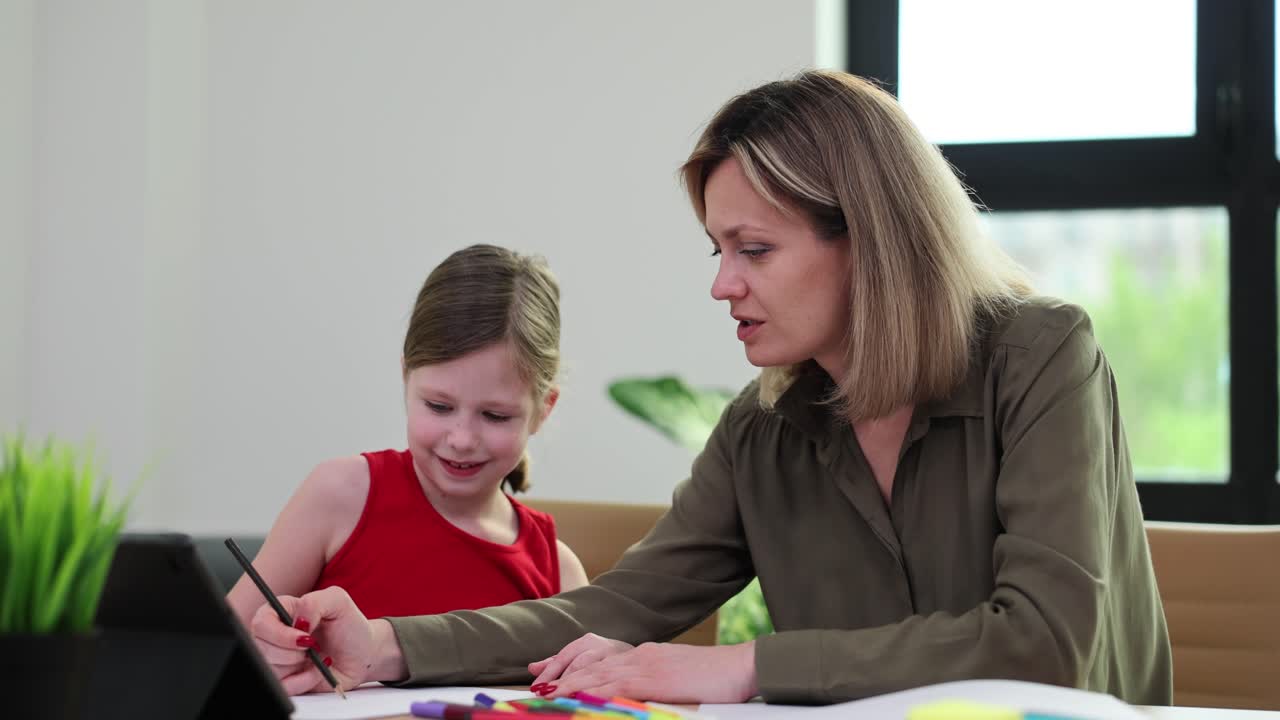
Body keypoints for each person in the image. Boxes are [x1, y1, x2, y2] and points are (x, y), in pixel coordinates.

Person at [248, 70, 1172, 705]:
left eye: (755, 250)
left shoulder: (1043, 356)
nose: (722, 284)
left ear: (871, 243)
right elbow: (608, 609)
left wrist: (741, 669)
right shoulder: (763, 428)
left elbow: (1048, 641)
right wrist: (389, 645)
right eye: (718, 249)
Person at [227, 244, 589, 631]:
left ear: (543, 410)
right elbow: (221, 648)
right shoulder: (341, 494)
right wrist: (272, 650)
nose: (463, 439)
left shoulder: (559, 573)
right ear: (405, 378)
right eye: (438, 406)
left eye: (495, 415)